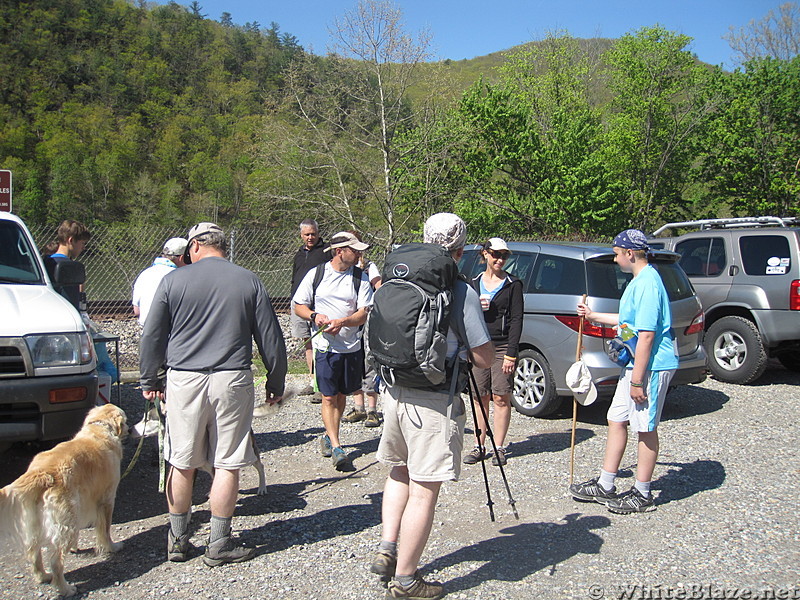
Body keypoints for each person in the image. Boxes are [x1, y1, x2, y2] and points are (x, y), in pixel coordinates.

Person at [139, 222, 287, 566]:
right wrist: (275, 383)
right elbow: (271, 339)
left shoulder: (172, 280)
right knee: (228, 461)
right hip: (231, 378)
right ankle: (218, 543)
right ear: (223, 246)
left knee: (181, 459)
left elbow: (152, 336)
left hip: (184, 380)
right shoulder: (249, 279)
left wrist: (151, 379)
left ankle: (177, 539)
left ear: (194, 248)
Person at [371, 213, 494, 600]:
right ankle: (407, 580)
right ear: (460, 249)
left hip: (393, 389)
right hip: (434, 399)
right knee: (425, 488)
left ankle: (387, 549)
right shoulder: (460, 290)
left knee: (398, 472)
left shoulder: (398, 275)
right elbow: (484, 357)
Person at [570, 228, 678, 514]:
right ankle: (606, 484)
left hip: (650, 367)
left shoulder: (648, 284)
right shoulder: (638, 281)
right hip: (634, 364)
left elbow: (646, 336)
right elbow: (628, 321)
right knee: (616, 418)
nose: (616, 260)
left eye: (618, 254)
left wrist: (639, 381)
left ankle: (643, 493)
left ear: (630, 253)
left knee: (645, 428)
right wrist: (594, 317)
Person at [292, 231, 373, 471]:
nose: (359, 254)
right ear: (339, 251)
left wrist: (342, 322)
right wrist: (316, 317)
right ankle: (338, 446)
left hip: (351, 346)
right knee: (328, 396)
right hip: (324, 346)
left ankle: (328, 435)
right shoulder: (316, 274)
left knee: (340, 396)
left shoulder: (361, 278)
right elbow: (299, 306)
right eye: (354, 250)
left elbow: (363, 313)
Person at [463, 237, 523, 468]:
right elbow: (465, 316)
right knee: (480, 398)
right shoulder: (473, 283)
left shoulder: (513, 284)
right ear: (485, 254)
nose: (500, 259)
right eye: (496, 254)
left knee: (501, 396)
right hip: (478, 345)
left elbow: (517, 320)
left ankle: (499, 446)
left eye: (504, 256)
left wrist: (511, 353)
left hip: (502, 345)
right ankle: (479, 445)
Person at [130, 237, 188, 437]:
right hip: (172, 341)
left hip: (148, 341)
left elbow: (136, 310)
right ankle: (177, 442)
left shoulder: (144, 274)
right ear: (181, 257)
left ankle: (161, 444)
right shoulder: (178, 277)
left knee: (156, 395)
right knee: (175, 394)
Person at [342, 233, 383, 428]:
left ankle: (372, 410)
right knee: (353, 362)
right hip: (348, 324)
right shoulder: (340, 271)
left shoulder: (369, 267)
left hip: (366, 321)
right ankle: (358, 407)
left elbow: (379, 287)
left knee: (368, 361)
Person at [289, 218, 332, 404]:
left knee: (321, 343)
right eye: (307, 234)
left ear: (318, 233)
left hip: (319, 305)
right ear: (301, 235)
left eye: (313, 234)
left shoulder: (326, 252)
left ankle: (322, 386)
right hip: (300, 304)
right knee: (308, 343)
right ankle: (313, 380)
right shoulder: (299, 254)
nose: (310, 237)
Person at [43, 220, 92, 310]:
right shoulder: (71, 268)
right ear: (71, 240)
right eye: (82, 243)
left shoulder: (43, 263)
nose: (83, 247)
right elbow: (72, 304)